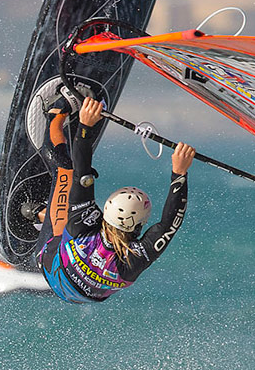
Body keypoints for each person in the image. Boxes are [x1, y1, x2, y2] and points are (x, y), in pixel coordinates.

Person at [35, 94, 194, 304]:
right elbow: (168, 226)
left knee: (66, 169)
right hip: (80, 297)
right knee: (72, 199)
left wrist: (86, 124)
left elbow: (169, 225)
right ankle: (41, 213)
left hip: (49, 262)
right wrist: (179, 173)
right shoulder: (133, 259)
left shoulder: (82, 226)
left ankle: (56, 113)